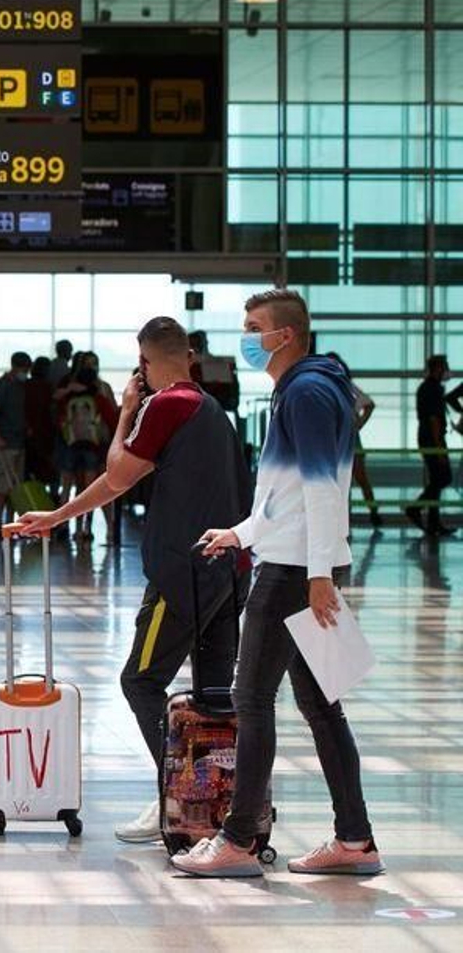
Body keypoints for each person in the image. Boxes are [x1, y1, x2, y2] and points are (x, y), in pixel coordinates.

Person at [16, 317, 252, 844]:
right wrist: (58, 516)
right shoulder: (213, 412)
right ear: (190, 354)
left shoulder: (166, 405)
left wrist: (125, 411)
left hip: (183, 574)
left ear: (145, 362)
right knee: (214, 693)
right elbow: (124, 481)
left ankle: (180, 789)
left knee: (141, 680)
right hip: (229, 575)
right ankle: (218, 805)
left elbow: (118, 471)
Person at [179, 288, 382, 879]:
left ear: (284, 335)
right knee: (321, 707)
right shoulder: (306, 388)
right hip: (299, 560)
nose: (246, 337)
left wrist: (319, 576)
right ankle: (355, 840)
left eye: (253, 326)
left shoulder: (309, 392)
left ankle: (238, 839)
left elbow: (323, 490)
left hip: (296, 570)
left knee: (251, 699)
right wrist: (241, 533)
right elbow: (285, 495)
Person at [53, 350, 118, 542]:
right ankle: (88, 529)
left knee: (68, 486)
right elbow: (112, 414)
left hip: (70, 443)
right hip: (95, 445)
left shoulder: (68, 388)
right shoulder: (100, 390)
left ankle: (64, 525)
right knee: (92, 488)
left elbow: (57, 413)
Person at [325, 353, 382, 530]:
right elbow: (368, 405)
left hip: (343, 438)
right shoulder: (335, 387)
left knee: (356, 478)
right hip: (336, 438)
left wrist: (356, 425)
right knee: (342, 480)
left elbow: (369, 405)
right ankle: (348, 516)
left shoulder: (342, 387)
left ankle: (372, 514)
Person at [407, 355, 461, 537]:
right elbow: (434, 420)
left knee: (437, 480)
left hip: (428, 437)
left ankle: (434, 523)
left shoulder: (429, 388)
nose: (447, 371)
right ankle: (415, 509)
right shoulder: (431, 389)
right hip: (432, 439)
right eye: (445, 367)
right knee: (442, 477)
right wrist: (439, 448)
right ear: (438, 368)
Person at [0, 351, 32, 539]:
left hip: (18, 441)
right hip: (6, 443)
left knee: (15, 486)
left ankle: (10, 522)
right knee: (3, 485)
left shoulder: (19, 386)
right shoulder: (3, 385)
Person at [23, 356, 57, 494]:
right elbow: (51, 411)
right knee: (47, 469)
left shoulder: (26, 386)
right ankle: (50, 498)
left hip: (29, 435)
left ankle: (34, 497)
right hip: (46, 434)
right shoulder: (48, 387)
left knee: (30, 468)